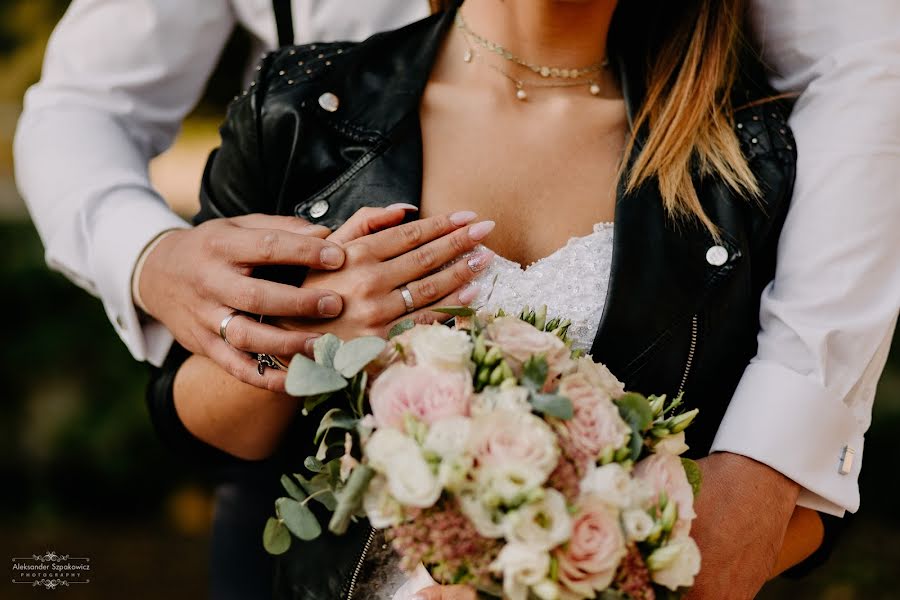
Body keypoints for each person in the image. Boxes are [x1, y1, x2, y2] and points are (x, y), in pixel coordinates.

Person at [145, 0, 899, 598]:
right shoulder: (302, 108)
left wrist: (588, 572)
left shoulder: (747, 159)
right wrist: (310, 332)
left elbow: (793, 510)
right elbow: (201, 425)